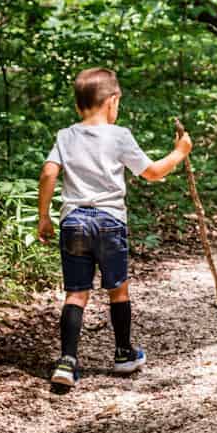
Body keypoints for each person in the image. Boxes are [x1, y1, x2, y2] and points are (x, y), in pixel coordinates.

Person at [36, 67, 193, 389]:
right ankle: (123, 353)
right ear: (112, 101)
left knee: (76, 293)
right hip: (109, 222)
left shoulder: (65, 136)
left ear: (78, 105)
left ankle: (67, 361)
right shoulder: (119, 135)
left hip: (74, 222)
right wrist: (179, 153)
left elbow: (49, 173)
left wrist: (44, 217)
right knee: (117, 289)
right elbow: (150, 173)